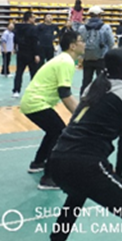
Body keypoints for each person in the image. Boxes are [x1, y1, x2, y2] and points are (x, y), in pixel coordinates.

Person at [45, 47, 122, 241]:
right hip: (85, 163)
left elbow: (74, 122)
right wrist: (121, 174)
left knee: (77, 193)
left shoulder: (94, 86)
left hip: (57, 158)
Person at [20, 31, 84, 190]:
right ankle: (49, 178)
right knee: (60, 134)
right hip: (36, 103)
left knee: (53, 132)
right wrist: (81, 116)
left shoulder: (64, 59)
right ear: (72, 46)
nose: (84, 44)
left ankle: (38, 163)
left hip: (32, 102)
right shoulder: (66, 62)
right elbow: (65, 94)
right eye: (81, 41)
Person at [79, 6, 115, 95]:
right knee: (102, 81)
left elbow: (80, 42)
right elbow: (111, 43)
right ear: (99, 15)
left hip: (87, 57)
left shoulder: (82, 28)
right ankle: (101, 100)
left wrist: (81, 56)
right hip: (101, 57)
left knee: (86, 81)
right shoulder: (105, 27)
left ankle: (83, 99)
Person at [13, 11, 41, 98]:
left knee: (19, 72)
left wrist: (15, 48)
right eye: (33, 17)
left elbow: (15, 39)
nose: (34, 19)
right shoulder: (33, 28)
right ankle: (34, 91)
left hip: (21, 52)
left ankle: (16, 91)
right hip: (31, 53)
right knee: (33, 73)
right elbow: (35, 42)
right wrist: (36, 54)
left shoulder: (18, 27)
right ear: (29, 19)